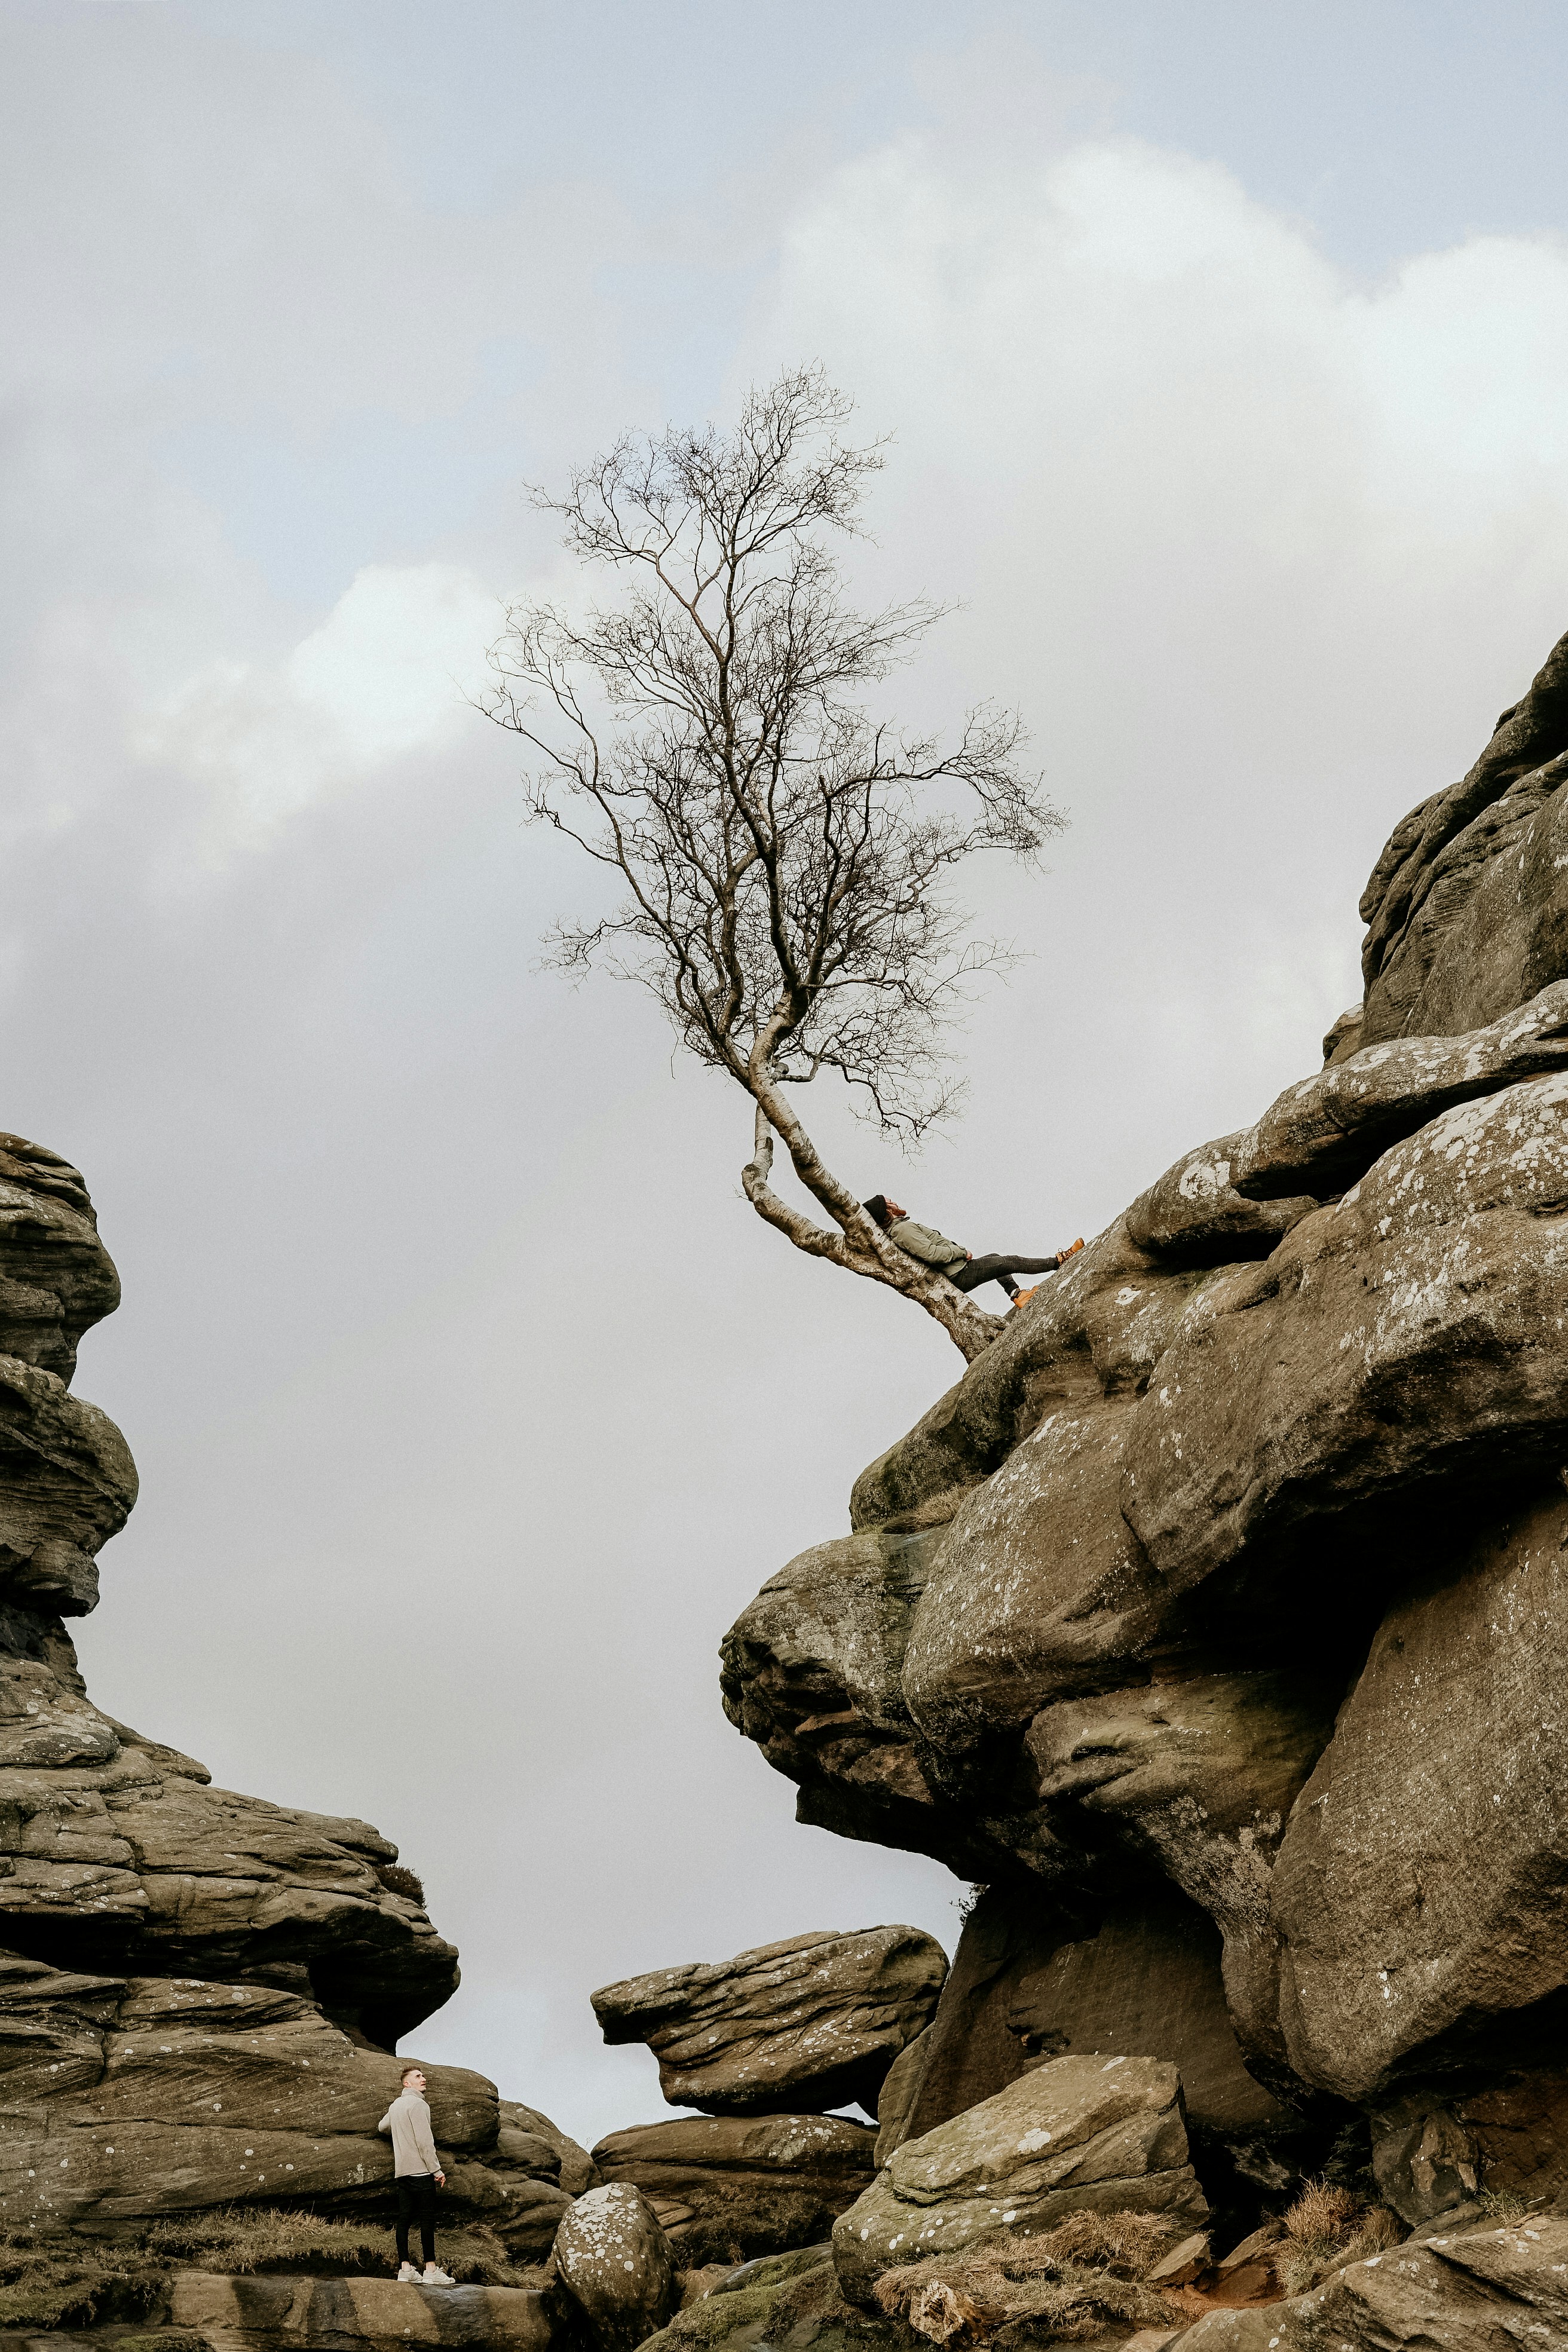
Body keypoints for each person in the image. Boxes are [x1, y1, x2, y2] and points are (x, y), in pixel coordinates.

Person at [862, 1195, 1083, 1303]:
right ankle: (1060, 1261)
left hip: (958, 1271)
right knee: (1009, 1261)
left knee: (997, 1259)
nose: (894, 1201)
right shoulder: (902, 1231)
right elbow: (930, 1253)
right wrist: (960, 1253)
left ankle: (1018, 1295)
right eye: (889, 1201)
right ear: (887, 1210)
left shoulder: (900, 1229)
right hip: (959, 1274)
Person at [379, 2065, 455, 2286]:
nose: (424, 2079)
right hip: (421, 2171)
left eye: (423, 2076)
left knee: (404, 2220)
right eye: (418, 2076)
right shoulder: (419, 2105)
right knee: (427, 2220)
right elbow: (425, 2142)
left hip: (402, 2172)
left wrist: (400, 2130)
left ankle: (406, 2268)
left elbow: (382, 2127)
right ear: (407, 2083)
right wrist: (437, 2170)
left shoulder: (397, 2105)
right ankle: (430, 2270)